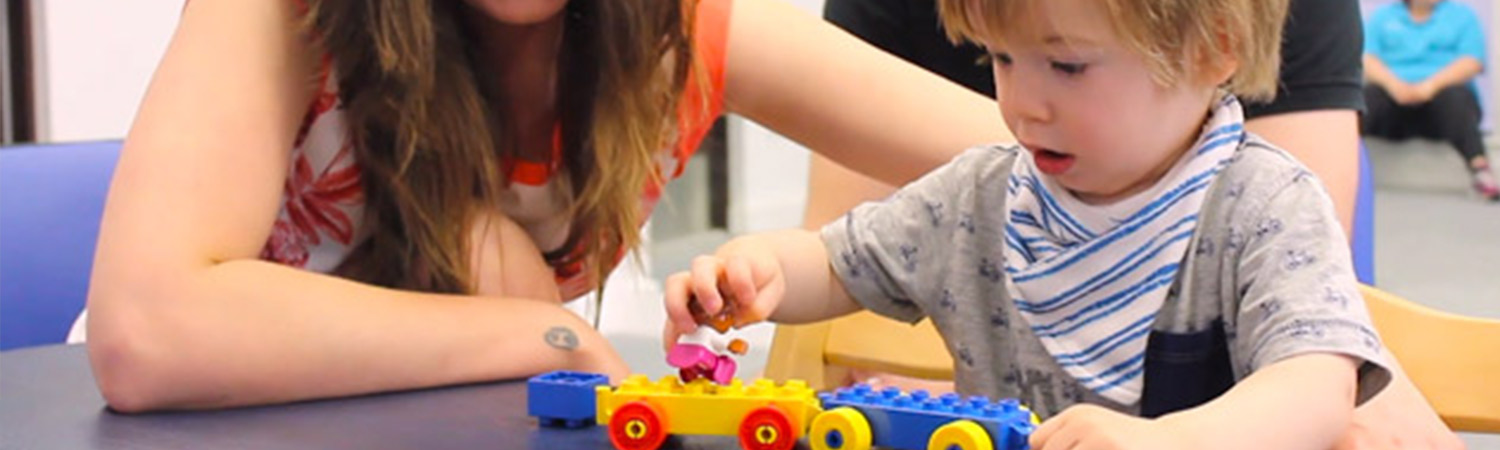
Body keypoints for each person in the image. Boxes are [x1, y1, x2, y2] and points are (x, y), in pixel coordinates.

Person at [83, 0, 1006, 412]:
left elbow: (1044, 149)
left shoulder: (675, 32)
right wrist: (534, 333)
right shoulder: (284, 13)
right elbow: (147, 333)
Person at [666, 0, 1396, 447]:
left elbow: (1316, 382)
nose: (1023, 104)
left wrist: (1175, 441)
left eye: (1068, 67)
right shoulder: (982, 192)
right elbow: (837, 263)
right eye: (1003, 59)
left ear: (1210, 52)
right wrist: (757, 270)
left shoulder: (1263, 207)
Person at [1363, 0, 1495, 201]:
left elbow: (1472, 60)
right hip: (1393, 102)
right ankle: (1334, 164)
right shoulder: (1383, 17)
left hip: (1441, 104)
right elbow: (1366, 58)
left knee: (1456, 97)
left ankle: (1480, 170)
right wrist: (1395, 87)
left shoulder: (1462, 16)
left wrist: (1429, 87)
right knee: (1365, 97)